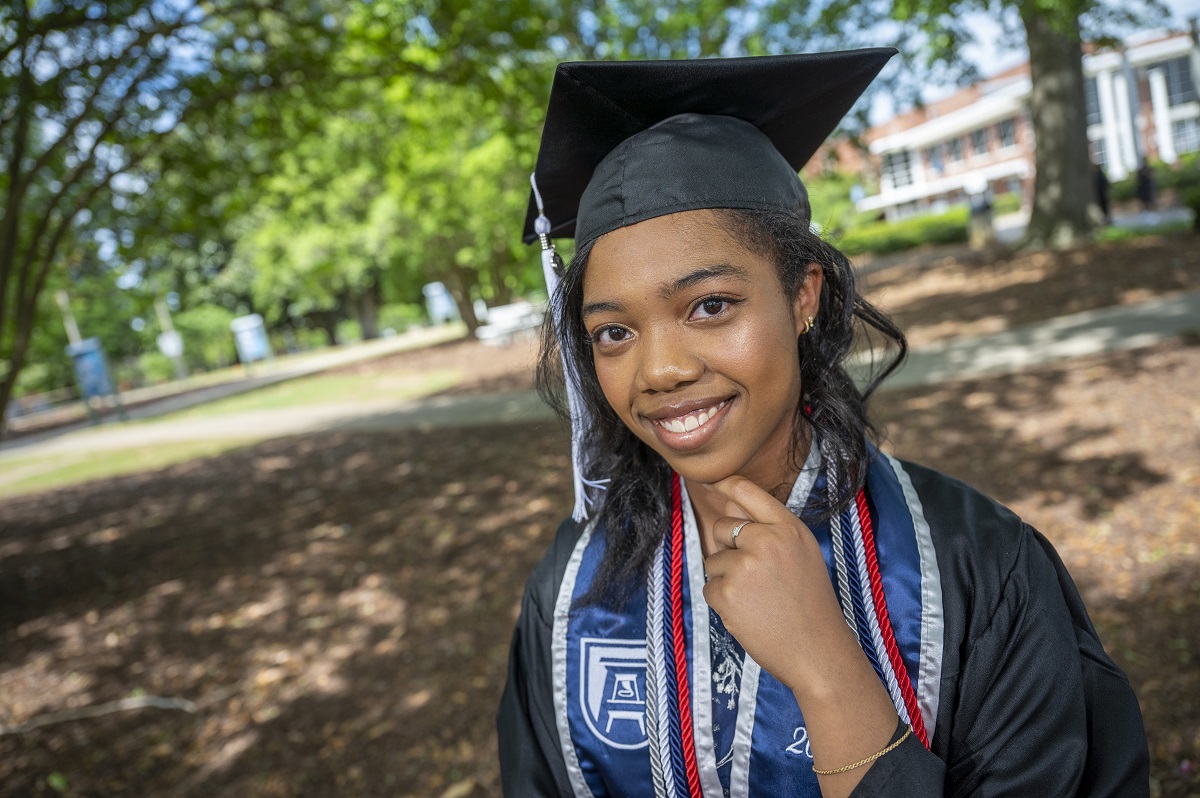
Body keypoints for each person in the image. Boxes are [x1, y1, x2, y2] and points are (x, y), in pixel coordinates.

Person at [498, 50, 1149, 797]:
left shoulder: (978, 567)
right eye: (614, 331)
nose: (659, 369)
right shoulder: (573, 590)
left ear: (804, 297)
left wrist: (824, 667)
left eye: (710, 305)